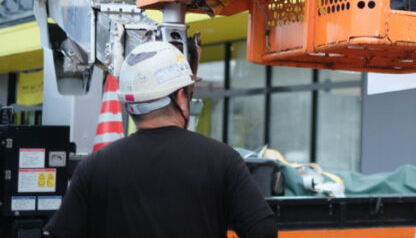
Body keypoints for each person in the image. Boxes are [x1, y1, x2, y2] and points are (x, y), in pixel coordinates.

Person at [43, 41, 277, 238]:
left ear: (130, 105)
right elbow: (263, 231)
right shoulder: (223, 160)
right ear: (179, 96)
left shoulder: (93, 168)